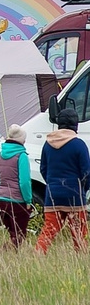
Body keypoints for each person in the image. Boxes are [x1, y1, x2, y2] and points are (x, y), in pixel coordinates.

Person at [38, 106, 90, 252]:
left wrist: (51, 184)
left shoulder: (47, 145)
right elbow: (87, 172)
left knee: (48, 231)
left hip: (52, 195)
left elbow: (43, 169)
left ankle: (37, 256)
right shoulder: (79, 144)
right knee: (79, 233)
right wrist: (83, 190)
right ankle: (80, 259)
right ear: (75, 124)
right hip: (74, 195)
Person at [0, 134, 34, 249]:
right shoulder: (22, 156)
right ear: (21, 140)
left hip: (2, 199)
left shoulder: (0, 155)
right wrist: (28, 200)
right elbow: (24, 182)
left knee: (12, 232)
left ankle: (7, 256)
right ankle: (4, 252)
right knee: (19, 235)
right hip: (17, 200)